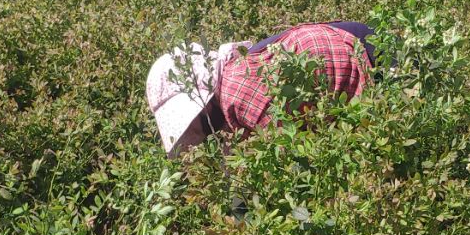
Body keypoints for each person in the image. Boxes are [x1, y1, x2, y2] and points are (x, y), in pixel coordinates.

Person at [146, 20, 374, 155]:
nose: (198, 136)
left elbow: (290, 152)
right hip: (352, 45)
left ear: (202, 104)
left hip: (369, 56)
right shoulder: (232, 84)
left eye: (194, 129)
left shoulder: (237, 93)